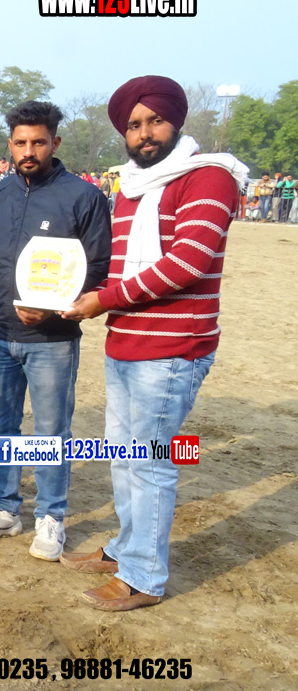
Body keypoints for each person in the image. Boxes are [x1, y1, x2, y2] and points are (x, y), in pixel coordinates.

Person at [60, 75, 248, 611]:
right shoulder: (133, 186)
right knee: (125, 459)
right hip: (128, 341)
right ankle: (126, 549)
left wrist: (104, 299)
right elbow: (120, 264)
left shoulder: (208, 177)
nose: (144, 134)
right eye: (134, 125)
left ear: (176, 122)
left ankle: (143, 578)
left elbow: (188, 263)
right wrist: (82, 293)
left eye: (155, 121)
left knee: (148, 464)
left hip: (172, 349)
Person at [0, 101, 111, 561]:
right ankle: (5, 509)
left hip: (52, 341)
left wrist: (51, 311)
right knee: (1, 427)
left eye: (39, 142)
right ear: (10, 144)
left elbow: (98, 269)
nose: (29, 151)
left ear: (55, 142)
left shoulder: (83, 197)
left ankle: (51, 516)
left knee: (50, 431)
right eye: (21, 143)